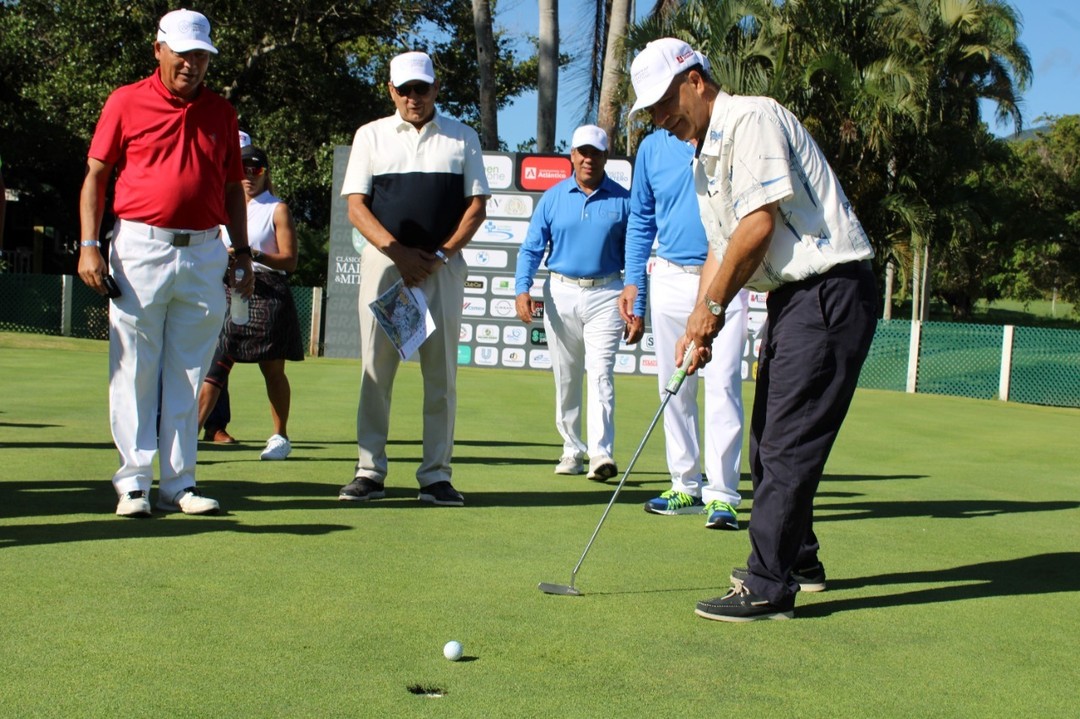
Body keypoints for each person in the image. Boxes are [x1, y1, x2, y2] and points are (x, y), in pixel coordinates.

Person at [629, 37, 877, 620]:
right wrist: (702, 323)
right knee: (770, 440)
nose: (662, 120)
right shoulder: (704, 159)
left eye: (665, 102)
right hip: (796, 298)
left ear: (694, 79)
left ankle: (768, 583)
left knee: (786, 443)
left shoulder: (752, 118)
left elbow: (758, 225)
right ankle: (800, 559)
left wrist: (709, 309)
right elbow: (721, 248)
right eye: (653, 112)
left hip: (829, 288)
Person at [77, 9, 253, 517]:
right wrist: (89, 244)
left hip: (204, 251)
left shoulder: (222, 112)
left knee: (188, 373)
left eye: (200, 56)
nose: (191, 65)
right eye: (182, 53)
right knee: (134, 367)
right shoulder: (125, 101)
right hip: (139, 247)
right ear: (159, 49)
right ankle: (133, 483)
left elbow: (230, 189)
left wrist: (241, 253)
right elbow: (96, 176)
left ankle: (179, 484)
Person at [338, 50, 489, 506]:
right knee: (375, 370)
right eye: (404, 89)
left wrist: (439, 254)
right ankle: (370, 471)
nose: (413, 97)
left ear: (436, 89)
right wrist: (399, 253)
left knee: (440, 374)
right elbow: (356, 206)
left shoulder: (462, 138)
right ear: (391, 91)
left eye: (421, 88)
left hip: (441, 269)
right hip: (386, 266)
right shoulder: (371, 135)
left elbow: (476, 207)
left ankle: (435, 475)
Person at [620, 111, 750, 531]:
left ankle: (724, 495)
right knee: (673, 387)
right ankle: (685, 484)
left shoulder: (725, 135)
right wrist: (633, 283)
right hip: (670, 276)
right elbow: (641, 220)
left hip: (725, 277)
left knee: (723, 383)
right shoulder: (652, 148)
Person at [514, 125, 632, 482]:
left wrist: (636, 298)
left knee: (600, 374)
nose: (587, 158)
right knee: (566, 377)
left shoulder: (623, 199)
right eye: (582, 151)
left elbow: (636, 253)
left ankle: (601, 454)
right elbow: (532, 247)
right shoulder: (552, 197)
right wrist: (522, 288)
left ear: (605, 157)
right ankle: (571, 449)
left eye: (595, 152)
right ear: (572, 155)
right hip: (561, 291)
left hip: (607, 292)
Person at [197, 143, 304, 461]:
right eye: (242, 169)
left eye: (256, 170)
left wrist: (251, 253)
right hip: (227, 291)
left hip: (268, 291)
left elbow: (290, 261)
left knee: (272, 370)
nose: (248, 176)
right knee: (217, 364)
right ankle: (191, 433)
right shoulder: (221, 207)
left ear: (265, 173)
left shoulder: (276, 208)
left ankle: (280, 436)